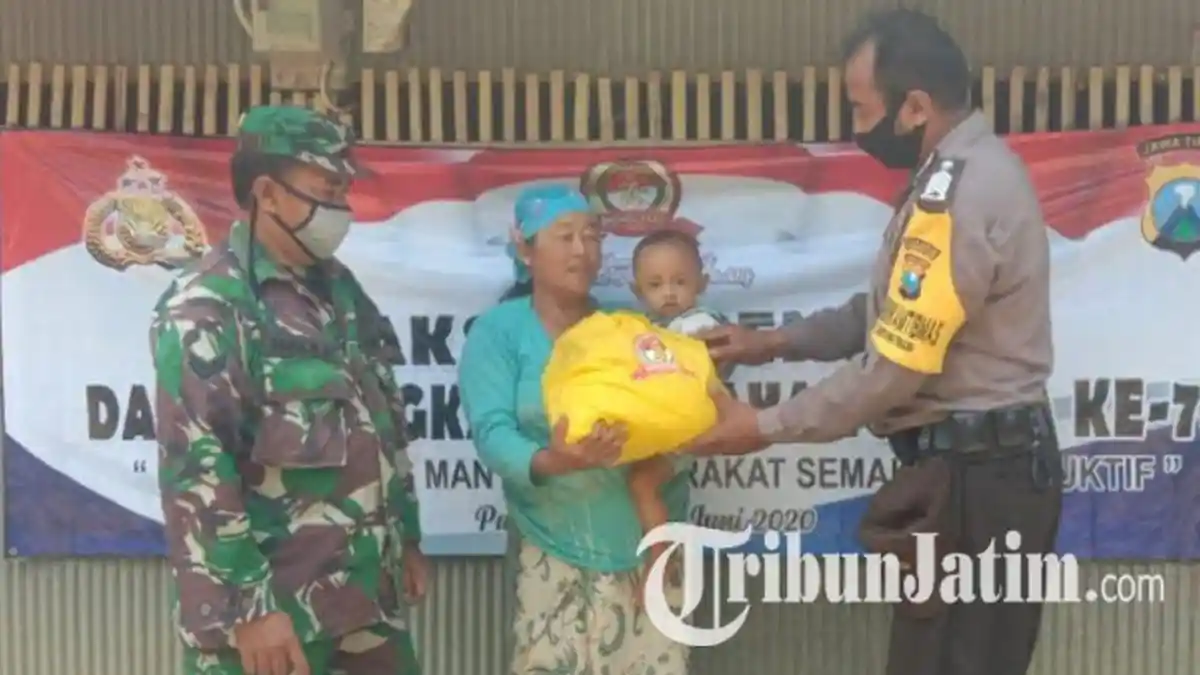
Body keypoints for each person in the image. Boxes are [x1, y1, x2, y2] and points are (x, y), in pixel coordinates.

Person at [688, 9, 1063, 675]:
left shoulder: (962, 193)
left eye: (861, 109)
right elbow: (889, 312)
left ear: (914, 106)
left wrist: (764, 424)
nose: (855, 127)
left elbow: (895, 364)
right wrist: (772, 343)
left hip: (981, 482)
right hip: (966, 477)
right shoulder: (949, 173)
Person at [150, 104, 428, 675]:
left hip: (364, 602)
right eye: (325, 188)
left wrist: (408, 539)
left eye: (343, 189)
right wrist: (249, 609)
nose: (340, 207)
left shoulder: (340, 292)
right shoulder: (211, 305)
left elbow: (381, 426)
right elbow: (196, 470)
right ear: (267, 194)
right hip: (273, 620)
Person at [457, 184, 691, 675]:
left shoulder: (625, 327)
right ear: (525, 249)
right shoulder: (498, 332)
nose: (582, 251)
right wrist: (555, 461)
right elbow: (493, 433)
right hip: (548, 547)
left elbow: (679, 415)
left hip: (644, 545)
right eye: (564, 237)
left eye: (592, 236)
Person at [624, 229, 726, 600]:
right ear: (638, 292)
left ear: (702, 283)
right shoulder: (648, 329)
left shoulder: (697, 323)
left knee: (642, 484)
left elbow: (693, 357)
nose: (668, 292)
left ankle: (660, 561)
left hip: (686, 432)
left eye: (680, 282)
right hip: (663, 429)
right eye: (655, 284)